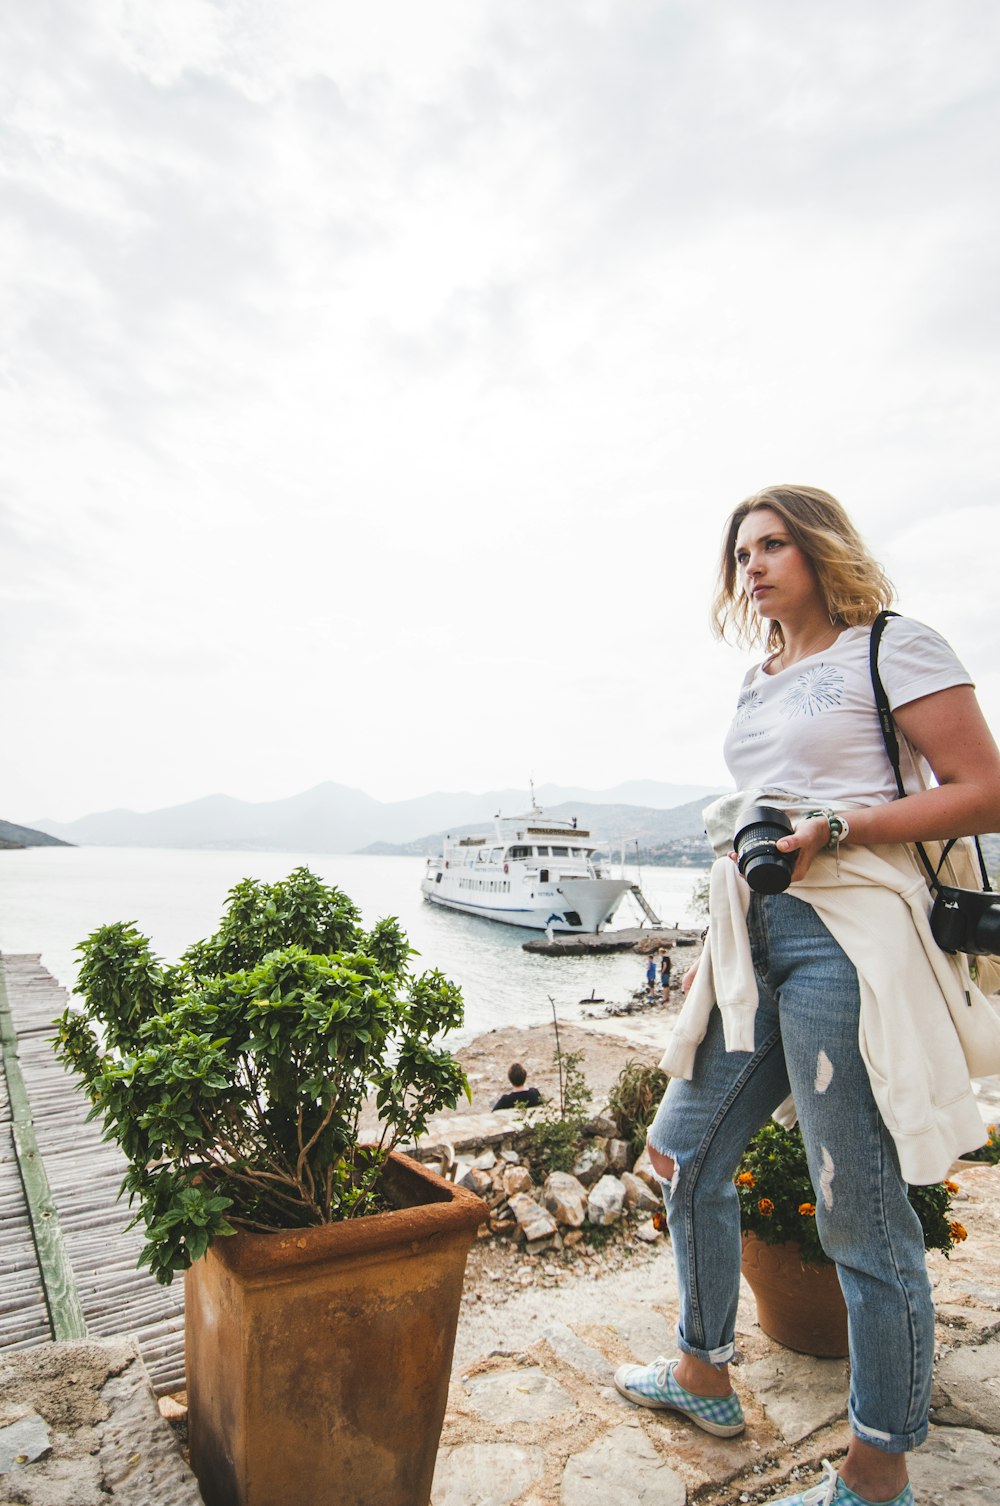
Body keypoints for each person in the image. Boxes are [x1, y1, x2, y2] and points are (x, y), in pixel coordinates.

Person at [613, 485, 1000, 1506]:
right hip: (753, 940)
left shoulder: (890, 647)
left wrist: (839, 828)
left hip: (850, 942)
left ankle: (876, 1472)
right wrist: (709, 953)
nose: (753, 566)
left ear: (819, 549)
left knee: (857, 1215)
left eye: (773, 544)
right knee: (683, 1153)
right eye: (741, 552)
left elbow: (984, 788)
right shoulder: (758, 680)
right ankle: (703, 1372)